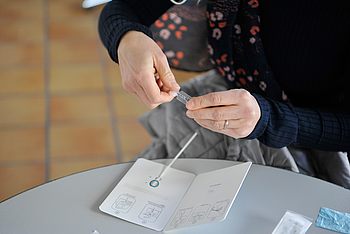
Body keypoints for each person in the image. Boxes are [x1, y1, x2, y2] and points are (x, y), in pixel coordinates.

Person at [98, 0, 350, 188]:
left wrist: (269, 119)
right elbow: (122, 9)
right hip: (231, 104)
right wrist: (127, 39)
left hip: (314, 141)